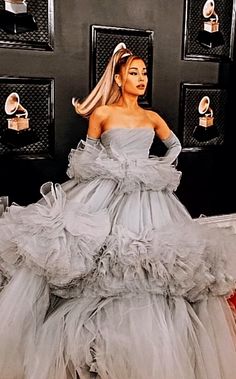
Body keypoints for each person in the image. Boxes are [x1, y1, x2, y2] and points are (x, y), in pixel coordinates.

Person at [0, 42, 236, 379]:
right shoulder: (103, 113)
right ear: (119, 77)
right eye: (134, 73)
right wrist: (111, 168)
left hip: (148, 196)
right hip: (106, 192)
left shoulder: (151, 116)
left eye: (144, 74)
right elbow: (87, 155)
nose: (141, 79)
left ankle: (151, 342)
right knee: (100, 256)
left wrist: (157, 167)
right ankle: (96, 347)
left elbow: (175, 145)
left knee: (155, 263)